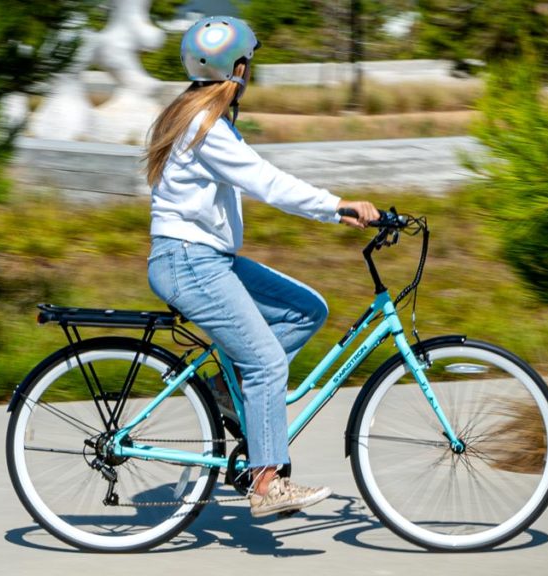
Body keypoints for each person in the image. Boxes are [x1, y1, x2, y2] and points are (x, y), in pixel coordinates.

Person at [144, 15, 379, 518]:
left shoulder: (201, 116)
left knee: (304, 309)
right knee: (268, 362)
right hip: (189, 262)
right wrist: (338, 206)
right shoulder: (205, 126)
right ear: (240, 67)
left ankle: (230, 392)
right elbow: (266, 182)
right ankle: (266, 483)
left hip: (205, 258)